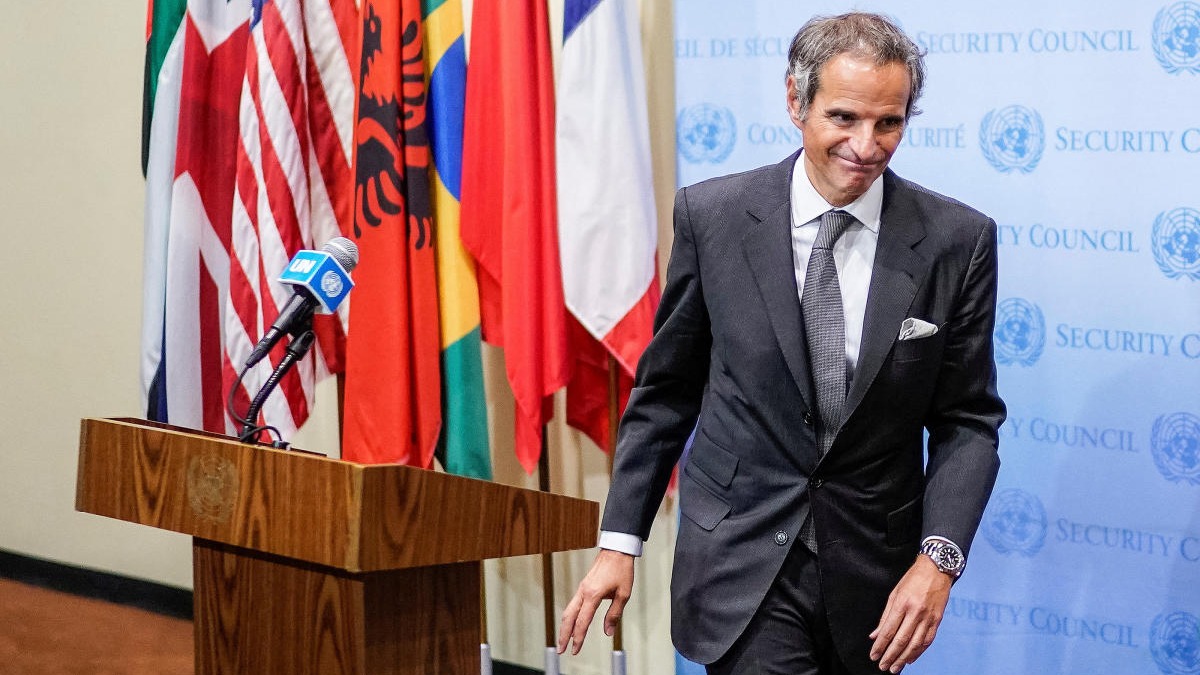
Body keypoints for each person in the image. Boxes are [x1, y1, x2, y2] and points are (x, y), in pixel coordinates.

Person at [557, 11, 1006, 675]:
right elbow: (666, 394)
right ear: (795, 101)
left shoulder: (956, 239)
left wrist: (937, 560)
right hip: (741, 566)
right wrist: (620, 541)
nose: (867, 144)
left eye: (890, 123)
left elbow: (967, 422)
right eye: (845, 118)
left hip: (873, 581)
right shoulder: (711, 217)